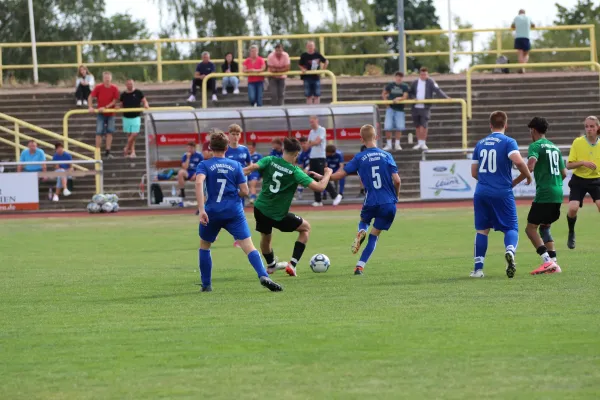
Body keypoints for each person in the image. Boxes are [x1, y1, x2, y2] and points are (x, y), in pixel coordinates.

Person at [195, 131, 282, 292]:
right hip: (234, 211)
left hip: (212, 211)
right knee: (248, 245)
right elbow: (245, 190)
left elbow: (199, 183)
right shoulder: (235, 165)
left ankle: (206, 284)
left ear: (210, 147)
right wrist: (235, 193)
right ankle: (263, 275)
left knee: (205, 246)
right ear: (227, 147)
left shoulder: (204, 164)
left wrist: (201, 209)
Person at [312, 125, 400, 275]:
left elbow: (339, 175)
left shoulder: (359, 158)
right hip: (388, 202)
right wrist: (396, 196)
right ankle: (359, 266)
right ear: (376, 137)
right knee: (375, 236)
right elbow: (397, 180)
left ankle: (361, 230)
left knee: (364, 221)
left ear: (361, 139)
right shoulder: (387, 155)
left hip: (371, 200)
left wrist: (323, 177)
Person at [243, 137, 334, 277]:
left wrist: (235, 174)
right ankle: (292, 264)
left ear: (284, 150)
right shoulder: (294, 171)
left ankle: (271, 265)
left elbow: (252, 168)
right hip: (277, 214)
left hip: (260, 208)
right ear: (296, 154)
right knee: (306, 228)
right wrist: (327, 174)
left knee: (266, 237)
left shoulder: (270, 160)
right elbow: (320, 187)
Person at [470, 111, 532, 279]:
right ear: (506, 124)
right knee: (511, 228)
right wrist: (527, 175)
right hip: (502, 192)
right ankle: (510, 251)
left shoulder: (480, 144)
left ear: (490, 125)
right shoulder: (508, 142)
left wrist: (486, 180)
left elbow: (474, 172)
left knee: (482, 230)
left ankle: (478, 270)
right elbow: (518, 161)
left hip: (481, 192)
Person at [513, 117, 566, 275]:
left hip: (545, 194)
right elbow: (563, 173)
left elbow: (530, 165)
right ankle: (554, 263)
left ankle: (547, 261)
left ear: (533, 130)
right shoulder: (555, 148)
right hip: (558, 192)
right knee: (545, 227)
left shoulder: (535, 146)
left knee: (530, 229)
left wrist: (514, 182)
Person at [565, 116, 600, 249]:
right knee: (573, 209)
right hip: (579, 180)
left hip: (596, 180)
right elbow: (568, 165)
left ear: (597, 128)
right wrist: (583, 163)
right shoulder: (578, 142)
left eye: (592, 126)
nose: (589, 129)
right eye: (587, 126)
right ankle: (571, 232)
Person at [409, 67, 450, 150]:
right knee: (417, 126)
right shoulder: (415, 82)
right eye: (422, 74)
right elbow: (410, 92)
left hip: (425, 107)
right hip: (415, 107)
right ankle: (419, 143)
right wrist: (413, 98)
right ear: (419, 74)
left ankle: (423, 142)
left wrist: (445, 97)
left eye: (425, 74)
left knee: (424, 125)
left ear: (427, 74)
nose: (423, 76)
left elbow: (438, 90)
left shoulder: (431, 82)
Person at [226, 124, 252, 247]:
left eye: (237, 134)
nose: (235, 137)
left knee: (239, 210)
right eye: (233, 134)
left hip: (241, 184)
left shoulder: (244, 149)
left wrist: (244, 172)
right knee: (226, 209)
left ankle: (239, 238)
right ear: (228, 135)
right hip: (229, 183)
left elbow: (250, 165)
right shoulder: (225, 150)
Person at [307, 115, 342, 207]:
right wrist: (312, 142)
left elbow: (316, 142)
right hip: (312, 157)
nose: (311, 124)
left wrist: (312, 142)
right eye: (310, 122)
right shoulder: (311, 132)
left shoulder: (322, 130)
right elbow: (309, 143)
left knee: (323, 177)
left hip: (320, 157)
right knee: (313, 178)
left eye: (312, 121)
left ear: (317, 121)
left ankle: (335, 195)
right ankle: (318, 200)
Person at [88, 71, 120, 158]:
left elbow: (115, 100)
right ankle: (97, 152)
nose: (107, 80)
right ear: (103, 79)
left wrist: (106, 107)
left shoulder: (114, 88)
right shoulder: (99, 87)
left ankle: (107, 151)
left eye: (108, 78)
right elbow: (90, 96)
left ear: (111, 78)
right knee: (99, 132)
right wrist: (90, 107)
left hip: (110, 113)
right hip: (101, 113)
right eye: (105, 78)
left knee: (110, 132)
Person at [119, 78, 149, 158]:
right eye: (128, 84)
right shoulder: (123, 94)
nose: (130, 85)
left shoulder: (138, 92)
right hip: (126, 117)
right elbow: (121, 104)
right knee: (129, 135)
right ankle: (132, 152)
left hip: (136, 117)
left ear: (133, 84)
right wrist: (118, 107)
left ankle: (126, 148)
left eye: (131, 84)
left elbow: (144, 101)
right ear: (126, 85)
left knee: (134, 134)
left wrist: (146, 104)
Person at [382, 71, 409, 151]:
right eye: (397, 76)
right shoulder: (390, 85)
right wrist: (386, 102)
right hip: (390, 108)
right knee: (388, 127)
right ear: (395, 77)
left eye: (400, 77)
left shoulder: (404, 86)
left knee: (399, 127)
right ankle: (389, 144)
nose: (399, 78)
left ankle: (397, 144)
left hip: (400, 109)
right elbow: (384, 93)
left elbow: (405, 96)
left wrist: (399, 98)